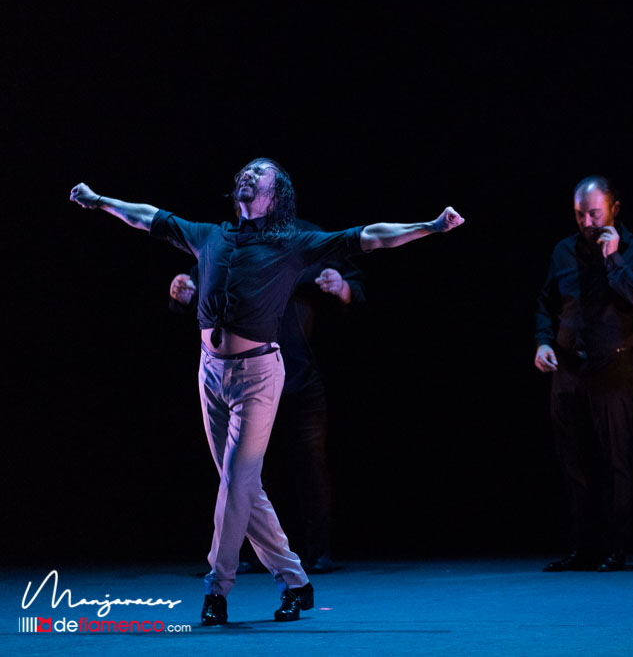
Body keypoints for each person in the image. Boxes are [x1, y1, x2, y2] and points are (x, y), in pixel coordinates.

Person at [68, 158, 464, 625]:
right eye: (247, 170)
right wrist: (98, 201)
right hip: (210, 372)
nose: (251, 173)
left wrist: (430, 227)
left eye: (262, 172)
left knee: (236, 482)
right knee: (242, 485)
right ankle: (296, 582)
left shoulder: (291, 244)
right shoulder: (209, 236)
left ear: (275, 196)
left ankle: (217, 589)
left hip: (257, 375)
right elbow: (147, 216)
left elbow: (369, 237)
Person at [168, 216, 365, 575]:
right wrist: (182, 293)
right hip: (244, 380)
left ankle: (318, 551)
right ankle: (250, 552)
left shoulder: (305, 236)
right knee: (244, 469)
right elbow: (198, 287)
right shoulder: (228, 240)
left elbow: (355, 282)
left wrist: (342, 288)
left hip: (299, 376)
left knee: (310, 468)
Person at [534, 176, 633, 573]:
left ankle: (615, 548)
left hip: (614, 366)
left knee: (614, 462)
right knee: (573, 462)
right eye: (579, 214)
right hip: (569, 367)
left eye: (594, 213)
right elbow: (545, 302)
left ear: (614, 209)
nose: (586, 222)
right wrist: (543, 342)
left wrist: (614, 260)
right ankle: (581, 548)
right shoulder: (563, 251)